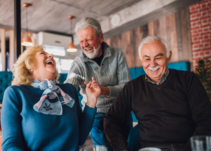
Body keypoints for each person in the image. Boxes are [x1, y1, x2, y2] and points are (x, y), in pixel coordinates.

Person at [104, 36, 211, 151]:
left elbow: (206, 119)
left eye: (158, 57)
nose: (153, 64)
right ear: (141, 59)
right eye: (147, 59)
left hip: (184, 147)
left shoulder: (188, 80)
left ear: (168, 56)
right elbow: (110, 119)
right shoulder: (132, 88)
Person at [1, 46, 101, 151]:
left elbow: (80, 138)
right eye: (42, 53)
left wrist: (91, 100)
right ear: (29, 65)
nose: (51, 55)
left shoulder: (68, 90)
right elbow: (10, 144)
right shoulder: (15, 93)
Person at [64, 17, 132, 150]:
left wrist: (103, 90)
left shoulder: (117, 55)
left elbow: (126, 87)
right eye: (82, 41)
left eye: (88, 39)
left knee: (126, 147)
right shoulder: (78, 63)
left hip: (120, 111)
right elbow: (69, 85)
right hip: (96, 114)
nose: (85, 45)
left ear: (100, 37)